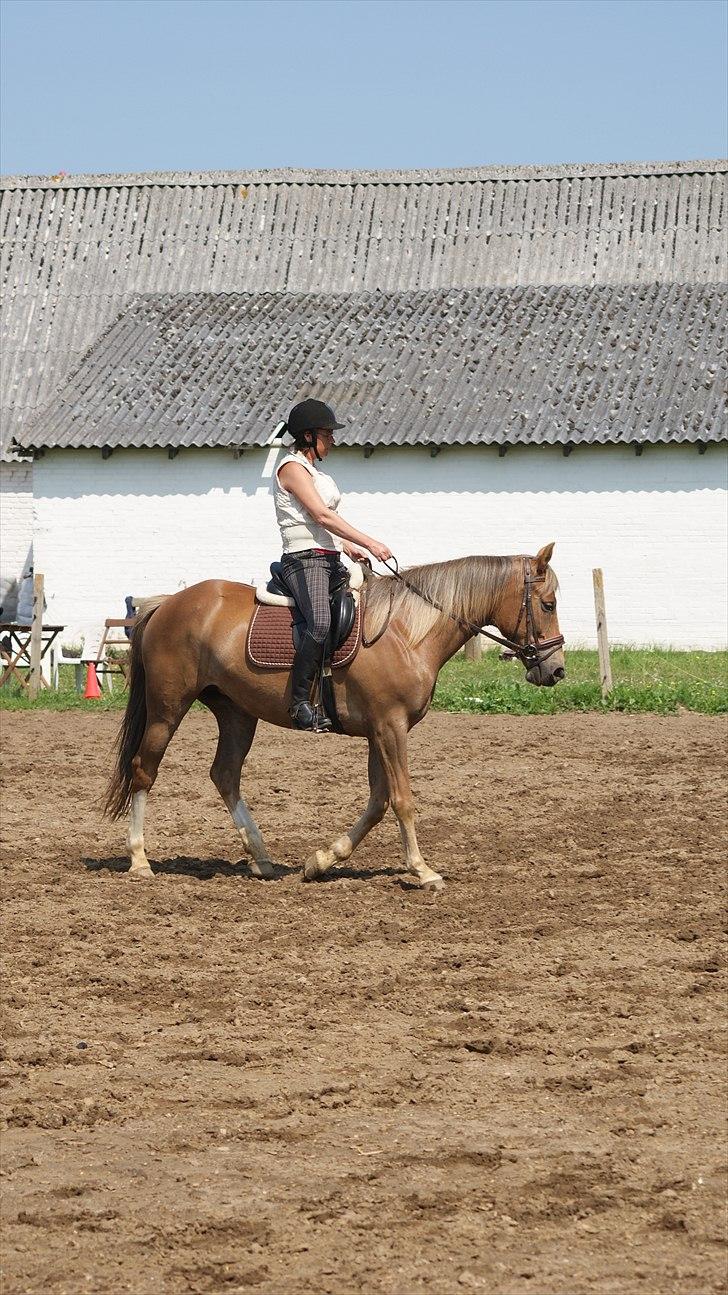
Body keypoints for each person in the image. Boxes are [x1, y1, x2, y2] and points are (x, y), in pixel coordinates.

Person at [274, 399, 393, 731]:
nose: (333, 440)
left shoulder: (316, 472)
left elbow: (322, 524)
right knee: (321, 623)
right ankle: (299, 703)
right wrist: (370, 540)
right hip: (304, 560)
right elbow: (322, 515)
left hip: (330, 557)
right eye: (328, 433)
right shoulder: (292, 468)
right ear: (309, 436)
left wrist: (347, 546)